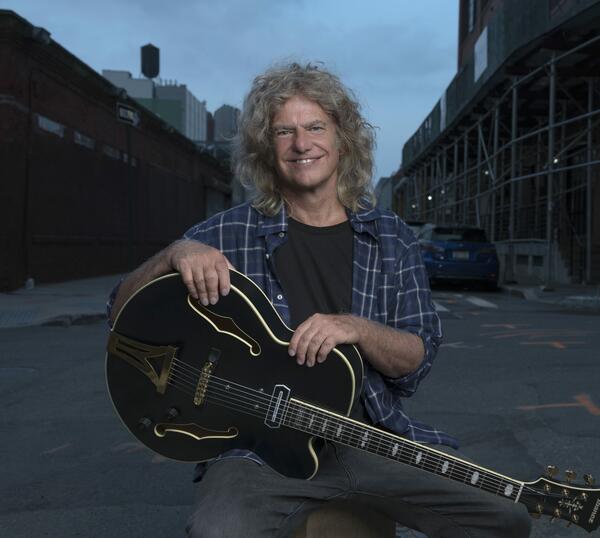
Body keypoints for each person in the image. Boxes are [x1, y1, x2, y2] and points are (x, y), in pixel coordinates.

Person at [108, 63, 531, 538]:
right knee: (221, 531)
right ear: (266, 149)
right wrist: (173, 254)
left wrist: (358, 327)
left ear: (342, 138)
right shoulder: (223, 234)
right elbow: (119, 312)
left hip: (369, 436)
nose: (301, 144)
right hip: (257, 452)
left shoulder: (393, 238)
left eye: (315, 127)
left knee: (505, 517)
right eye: (283, 131)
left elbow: (416, 361)